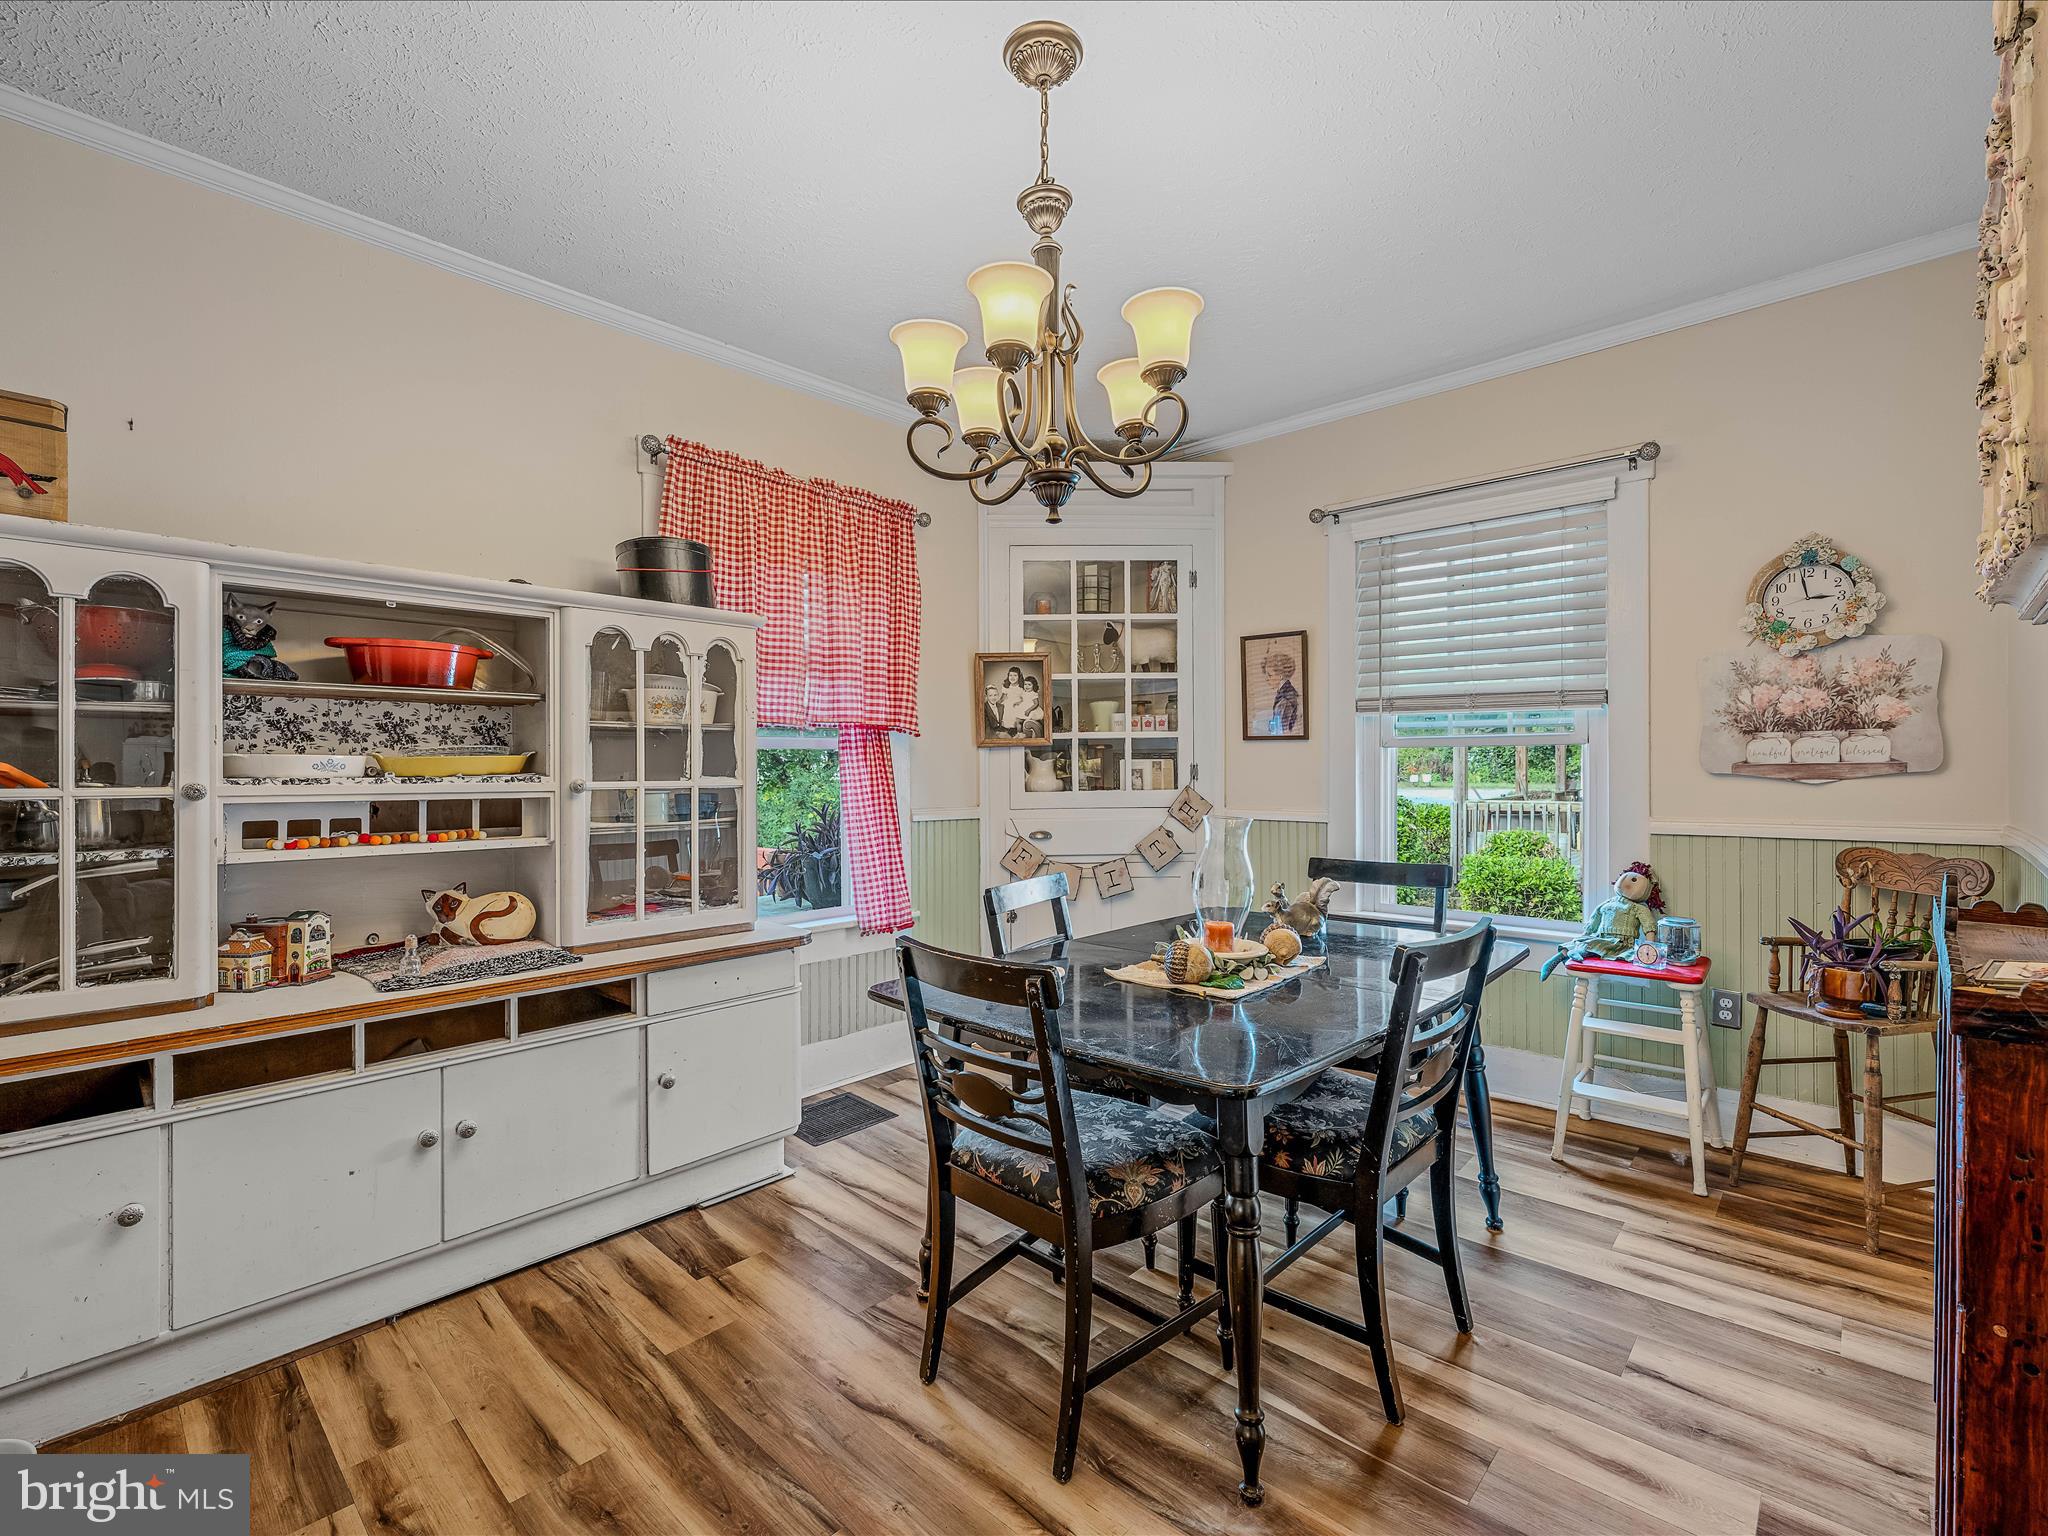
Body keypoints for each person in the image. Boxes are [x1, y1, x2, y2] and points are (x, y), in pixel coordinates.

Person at [1262, 647, 1300, 735]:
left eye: (1270, 675)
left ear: (1280, 676)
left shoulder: (1286, 699)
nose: (1266, 679)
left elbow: (1280, 732)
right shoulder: (1284, 694)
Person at [998, 666, 1029, 732]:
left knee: (1015, 710)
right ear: (1008, 676)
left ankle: (1014, 729)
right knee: (1006, 708)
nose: (1012, 677)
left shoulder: (1021, 687)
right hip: (1008, 702)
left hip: (1018, 703)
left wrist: (1020, 702)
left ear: (1019, 677)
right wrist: (996, 704)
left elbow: (1024, 698)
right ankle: (1006, 728)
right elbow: (1003, 697)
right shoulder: (1006, 686)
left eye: (1015, 675)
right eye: (1010, 675)